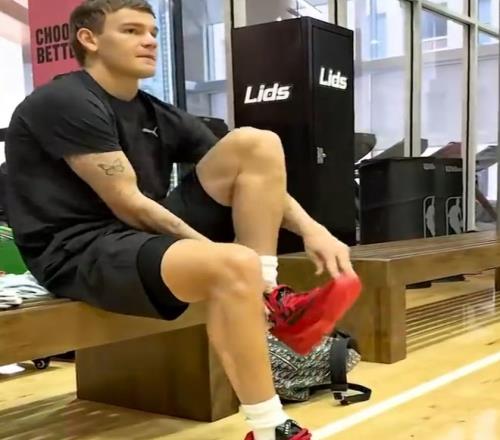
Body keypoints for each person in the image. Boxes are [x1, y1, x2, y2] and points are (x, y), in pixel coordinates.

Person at [5, 1, 361, 439]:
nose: (150, 41)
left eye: (153, 32)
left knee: (256, 143)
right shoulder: (64, 101)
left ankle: (269, 294)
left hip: (135, 236)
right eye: (132, 31)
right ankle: (269, 427)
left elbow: (254, 175)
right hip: (78, 250)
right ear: (89, 39)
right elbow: (129, 203)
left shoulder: (154, 112)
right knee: (234, 265)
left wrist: (312, 229)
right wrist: (228, 260)